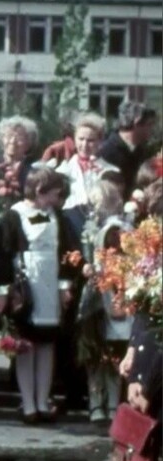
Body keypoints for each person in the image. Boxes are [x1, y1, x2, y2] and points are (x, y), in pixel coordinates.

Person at [0, 167, 81, 424]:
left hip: (50, 284)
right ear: (40, 192)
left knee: (46, 344)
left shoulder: (58, 218)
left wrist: (65, 286)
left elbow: (67, 254)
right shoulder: (15, 215)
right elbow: (3, 255)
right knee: (25, 345)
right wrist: (3, 291)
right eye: (54, 193)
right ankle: (28, 402)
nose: (57, 199)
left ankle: (43, 400)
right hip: (25, 285)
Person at [77, 181, 131, 423]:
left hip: (110, 293)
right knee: (98, 352)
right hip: (100, 294)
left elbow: (116, 264)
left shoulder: (115, 228)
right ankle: (101, 403)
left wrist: (117, 295)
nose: (94, 207)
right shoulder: (98, 227)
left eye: (98, 202)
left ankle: (107, 403)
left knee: (107, 353)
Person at [57, 113, 120, 237]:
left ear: (100, 141)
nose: (85, 145)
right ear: (74, 139)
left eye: (91, 140)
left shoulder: (110, 172)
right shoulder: (63, 170)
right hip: (69, 226)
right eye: (81, 139)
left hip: (100, 228)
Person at [99, 101, 158, 198]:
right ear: (137, 123)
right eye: (149, 124)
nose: (152, 129)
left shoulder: (143, 151)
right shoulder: (107, 152)